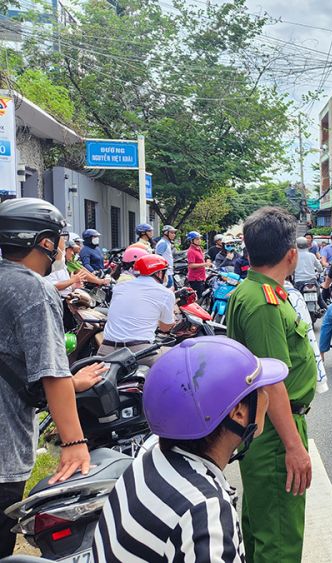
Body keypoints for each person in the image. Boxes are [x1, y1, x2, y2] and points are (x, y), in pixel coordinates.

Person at [91, 337, 286, 562]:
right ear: (238, 413)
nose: (267, 395)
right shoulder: (205, 513)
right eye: (259, 388)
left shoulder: (150, 454)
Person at [0, 198, 94, 557]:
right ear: (44, 241)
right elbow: (52, 374)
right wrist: (73, 443)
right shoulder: (32, 290)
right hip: (4, 452)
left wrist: (76, 382)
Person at [225, 207, 316, 563]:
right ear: (291, 255)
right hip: (278, 432)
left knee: (262, 525)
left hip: (268, 427)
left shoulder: (253, 291)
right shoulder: (263, 303)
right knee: (279, 537)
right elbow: (273, 383)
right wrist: (294, 447)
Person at [98, 254, 175, 365]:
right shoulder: (166, 293)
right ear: (159, 273)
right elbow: (165, 327)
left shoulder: (119, 287)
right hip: (139, 352)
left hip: (106, 350)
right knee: (176, 359)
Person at [284, 278, 328, 395]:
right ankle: (321, 354)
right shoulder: (292, 295)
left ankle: (322, 352)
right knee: (327, 316)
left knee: (328, 323)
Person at [186, 231, 212, 296]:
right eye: (197, 239)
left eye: (200, 238)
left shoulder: (199, 248)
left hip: (201, 277)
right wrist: (205, 264)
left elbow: (203, 257)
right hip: (195, 279)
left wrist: (207, 260)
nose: (199, 240)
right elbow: (191, 265)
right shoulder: (191, 251)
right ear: (191, 241)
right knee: (198, 298)